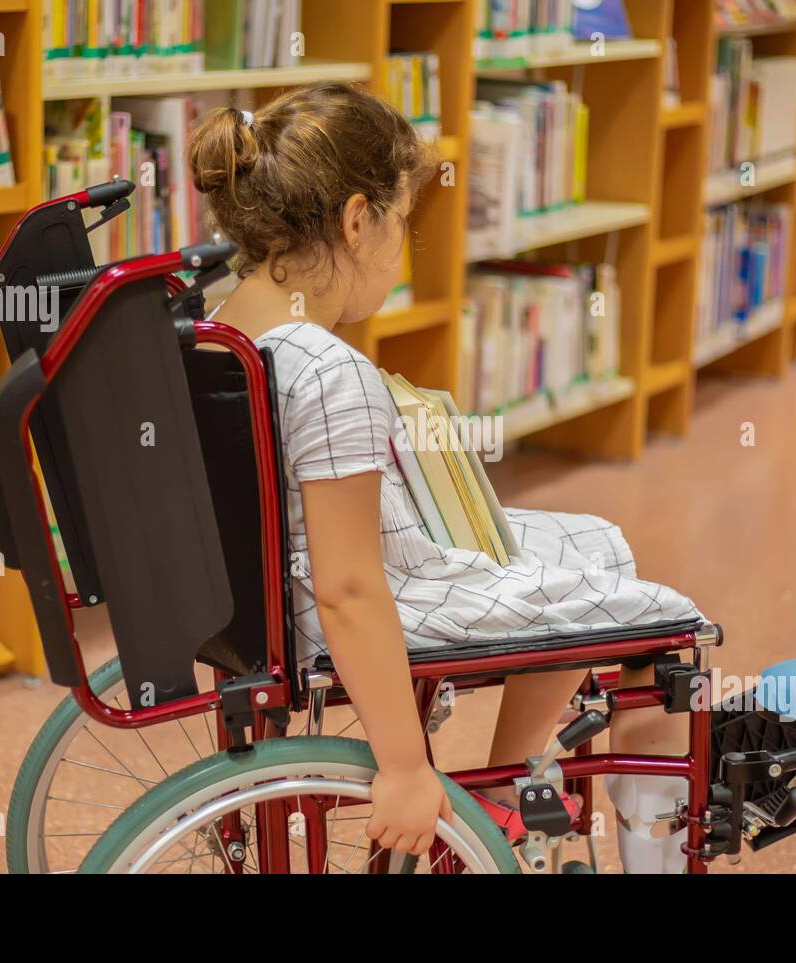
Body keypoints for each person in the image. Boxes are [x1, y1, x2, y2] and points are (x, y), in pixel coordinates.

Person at [189, 82, 700, 872]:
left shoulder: (222, 325)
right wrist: (403, 765)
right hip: (367, 596)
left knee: (596, 543)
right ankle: (626, 847)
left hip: (270, 589)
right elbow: (350, 588)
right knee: (661, 620)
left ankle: (504, 785)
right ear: (358, 220)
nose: (402, 248)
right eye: (400, 223)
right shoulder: (330, 369)